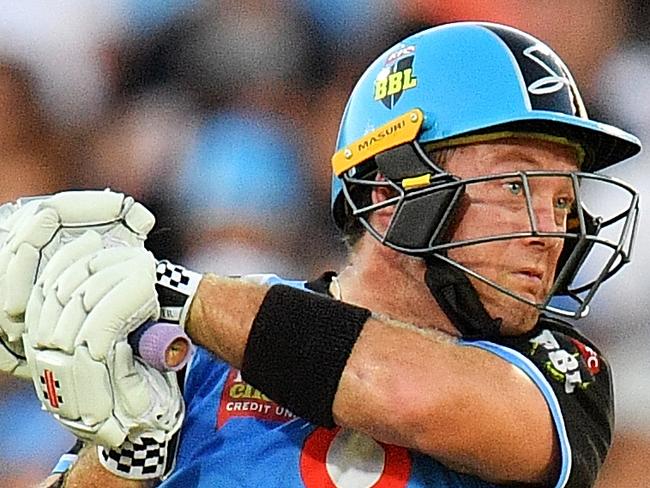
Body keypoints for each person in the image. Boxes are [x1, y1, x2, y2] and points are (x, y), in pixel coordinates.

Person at [0, 22, 643, 488]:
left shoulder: (561, 371)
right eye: (515, 185)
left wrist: (172, 291)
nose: (551, 231)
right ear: (387, 194)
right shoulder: (197, 346)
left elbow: (404, 393)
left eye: (563, 201)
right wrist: (123, 459)